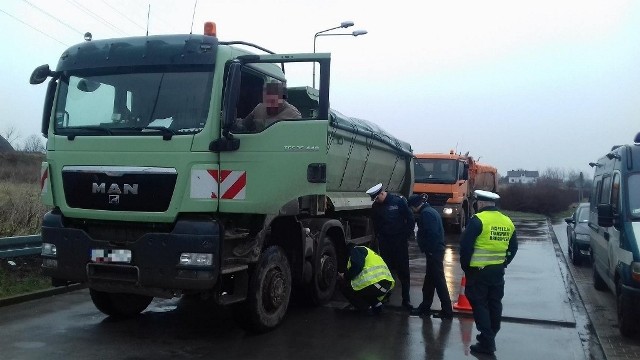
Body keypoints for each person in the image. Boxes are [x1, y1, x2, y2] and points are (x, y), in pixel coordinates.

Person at [459, 190, 518, 356]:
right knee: (494, 303)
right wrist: (504, 261)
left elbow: (465, 246)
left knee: (479, 305)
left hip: (478, 272)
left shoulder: (478, 220)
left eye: (476, 203)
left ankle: (487, 340)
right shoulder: (507, 221)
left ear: (481, 203)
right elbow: (513, 248)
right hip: (498, 272)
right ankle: (491, 333)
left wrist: (467, 268)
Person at [366, 182, 415, 310]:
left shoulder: (398, 202)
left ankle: (406, 299)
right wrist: (378, 238)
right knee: (385, 272)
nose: (376, 200)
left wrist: (406, 235)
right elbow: (375, 224)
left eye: (377, 197)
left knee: (403, 272)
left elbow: (410, 218)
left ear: (382, 193)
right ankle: (385, 297)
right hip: (385, 243)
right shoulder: (376, 207)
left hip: (399, 243)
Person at [407, 194, 453, 319]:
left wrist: (429, 249)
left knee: (439, 281)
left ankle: (447, 310)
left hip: (434, 251)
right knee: (430, 282)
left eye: (411, 207)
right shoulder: (430, 211)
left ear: (415, 205)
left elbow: (431, 234)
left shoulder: (426, 214)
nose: (411, 210)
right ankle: (425, 307)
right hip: (434, 251)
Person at [337, 243, 395, 315]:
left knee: (344, 286)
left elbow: (357, 266)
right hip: (385, 286)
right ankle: (377, 305)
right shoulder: (368, 251)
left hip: (376, 285)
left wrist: (344, 276)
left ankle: (365, 308)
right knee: (363, 286)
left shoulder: (355, 250)